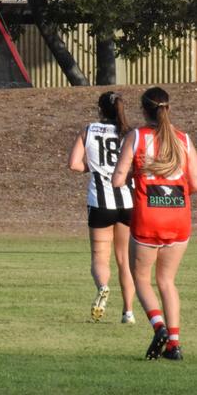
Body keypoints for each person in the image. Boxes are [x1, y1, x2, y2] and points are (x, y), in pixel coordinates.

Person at [112, 87, 197, 361]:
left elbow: (117, 179)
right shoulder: (183, 139)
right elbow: (194, 184)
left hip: (148, 217)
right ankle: (174, 344)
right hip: (179, 218)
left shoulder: (137, 137)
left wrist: (131, 180)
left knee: (141, 278)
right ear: (167, 108)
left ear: (144, 109)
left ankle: (158, 326)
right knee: (167, 281)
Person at [68, 92, 136, 324]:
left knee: (100, 256)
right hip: (128, 202)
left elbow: (74, 165)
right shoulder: (131, 133)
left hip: (100, 201)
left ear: (99, 109)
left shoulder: (88, 130)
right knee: (124, 260)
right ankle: (128, 312)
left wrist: (94, 166)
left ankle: (104, 287)